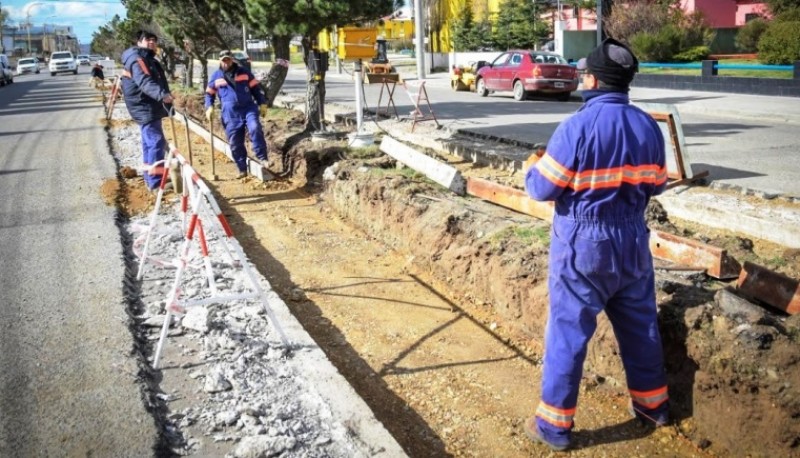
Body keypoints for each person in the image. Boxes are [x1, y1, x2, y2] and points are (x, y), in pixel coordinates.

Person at [523, 38, 669, 452]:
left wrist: (532, 167)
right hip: (632, 241)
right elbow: (656, 184)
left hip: (584, 244)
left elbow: (542, 188)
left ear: (592, 79)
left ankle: (554, 427)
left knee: (569, 334)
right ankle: (653, 406)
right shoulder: (647, 125)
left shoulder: (576, 127)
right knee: (641, 327)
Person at [120, 30, 174, 190]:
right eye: (148, 40)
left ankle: (150, 177)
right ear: (139, 42)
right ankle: (156, 183)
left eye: (154, 40)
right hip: (144, 106)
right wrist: (162, 95)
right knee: (156, 142)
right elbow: (144, 81)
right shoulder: (138, 59)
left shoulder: (145, 57)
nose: (152, 43)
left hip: (145, 105)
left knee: (148, 143)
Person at [204, 49, 269, 178]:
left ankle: (262, 158)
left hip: (248, 108)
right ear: (220, 61)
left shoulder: (244, 72)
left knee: (255, 128)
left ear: (232, 59)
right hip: (230, 113)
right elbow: (209, 93)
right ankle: (242, 169)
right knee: (235, 142)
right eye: (224, 60)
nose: (226, 62)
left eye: (228, 59)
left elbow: (255, 89)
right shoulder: (216, 76)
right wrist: (209, 106)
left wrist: (262, 103)